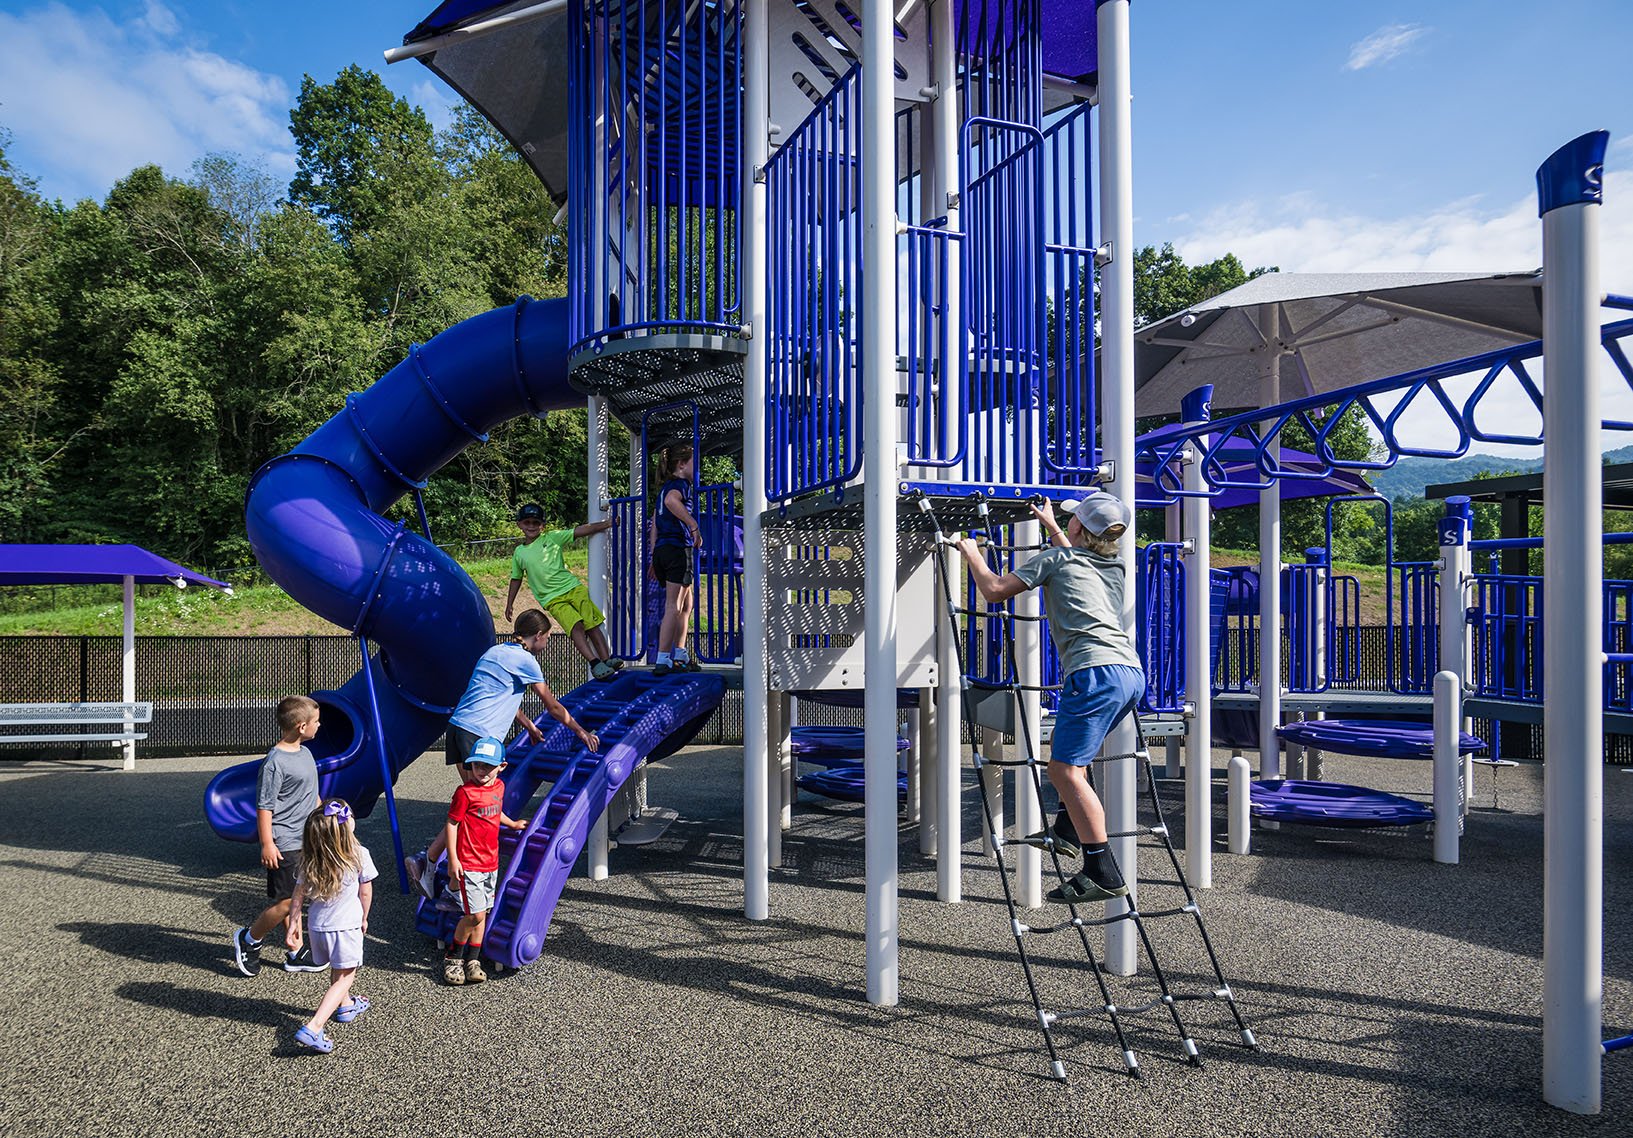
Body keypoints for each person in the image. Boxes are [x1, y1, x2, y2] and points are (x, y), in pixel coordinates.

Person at [956, 493, 1146, 906]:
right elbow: (1074, 556)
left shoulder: (1054, 560)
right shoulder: (1114, 567)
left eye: (1071, 520)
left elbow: (994, 590)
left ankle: (1102, 870)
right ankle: (1066, 830)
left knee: (1065, 771)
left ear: (1079, 528)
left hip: (1093, 673)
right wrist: (1053, 526)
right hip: (1129, 674)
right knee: (1075, 758)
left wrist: (972, 553)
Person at [403, 610, 600, 901]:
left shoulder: (494, 652)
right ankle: (435, 867)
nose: (547, 643)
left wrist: (529, 726)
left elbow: (501, 694)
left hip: (459, 729)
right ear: (538, 636)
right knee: (475, 807)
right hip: (478, 735)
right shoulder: (526, 661)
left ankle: (436, 869)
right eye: (546, 638)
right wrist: (580, 731)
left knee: (471, 803)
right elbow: (553, 706)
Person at [232, 695, 327, 976]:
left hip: (307, 838)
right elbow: (265, 806)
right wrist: (267, 844)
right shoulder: (275, 762)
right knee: (286, 902)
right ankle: (249, 939)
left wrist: (325, 816)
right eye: (316, 722)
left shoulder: (306, 753)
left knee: (298, 897)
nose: (319, 726)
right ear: (301, 726)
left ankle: (295, 951)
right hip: (285, 842)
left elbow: (311, 794)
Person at [284, 799, 376, 1053]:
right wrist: (364, 918)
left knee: (338, 967)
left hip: (317, 927)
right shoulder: (359, 854)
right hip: (345, 926)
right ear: (347, 827)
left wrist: (294, 923)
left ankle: (346, 1006)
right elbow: (365, 892)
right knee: (346, 976)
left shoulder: (311, 858)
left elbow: (298, 894)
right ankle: (314, 1026)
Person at [505, 502, 624, 682]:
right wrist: (509, 603)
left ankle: (607, 659)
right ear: (520, 525)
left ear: (542, 526)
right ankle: (594, 662)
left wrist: (607, 524)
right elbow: (516, 578)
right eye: (527, 522)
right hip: (552, 598)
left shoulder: (552, 538)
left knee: (591, 624)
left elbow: (579, 530)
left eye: (535, 523)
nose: (531, 526)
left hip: (573, 588)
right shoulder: (519, 553)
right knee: (575, 626)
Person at [442, 741, 529, 985]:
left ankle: (473, 959)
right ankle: (453, 957)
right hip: (469, 863)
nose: (481, 770)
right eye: (477, 765)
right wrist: (453, 858)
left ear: (501, 766)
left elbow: (495, 810)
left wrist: (511, 824)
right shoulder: (465, 793)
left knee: (484, 914)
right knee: (475, 915)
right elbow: (451, 824)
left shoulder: (499, 787)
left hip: (490, 862)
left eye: (488, 766)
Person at [649, 445, 703, 676]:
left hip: (663, 549)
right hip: (676, 548)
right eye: (694, 462)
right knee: (674, 605)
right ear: (681, 465)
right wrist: (693, 525)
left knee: (687, 603)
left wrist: (654, 556)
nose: (697, 467)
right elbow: (673, 502)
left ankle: (680, 654)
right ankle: (663, 659)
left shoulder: (663, 490)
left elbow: (654, 522)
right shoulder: (680, 486)